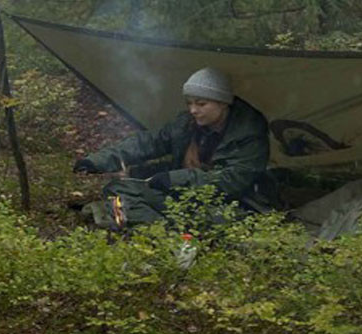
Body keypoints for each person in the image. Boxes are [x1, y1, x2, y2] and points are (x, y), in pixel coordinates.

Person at [73, 67, 270, 228]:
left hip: (231, 203)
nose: (193, 110)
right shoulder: (186, 123)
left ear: (223, 103)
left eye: (201, 104)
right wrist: (98, 160)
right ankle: (165, 229)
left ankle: (159, 228)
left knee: (217, 220)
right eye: (189, 103)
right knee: (117, 187)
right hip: (185, 194)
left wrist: (174, 179)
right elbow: (149, 142)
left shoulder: (249, 133)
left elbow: (232, 181)